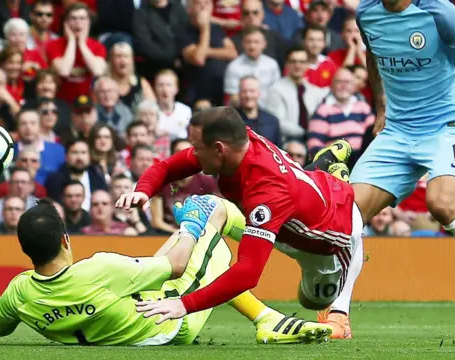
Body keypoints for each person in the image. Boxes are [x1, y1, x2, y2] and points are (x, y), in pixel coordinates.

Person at [324, 0, 455, 337]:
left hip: (448, 124)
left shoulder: (440, 12)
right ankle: (339, 314)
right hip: (398, 130)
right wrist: (382, 107)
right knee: (347, 215)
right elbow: (373, 55)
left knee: (442, 205)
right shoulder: (366, 13)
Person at [0, 198, 333, 345]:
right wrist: (191, 225)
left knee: (175, 258)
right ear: (66, 240)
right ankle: (305, 244)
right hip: (172, 322)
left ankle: (266, 315)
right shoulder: (100, 269)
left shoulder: (18, 292)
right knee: (213, 208)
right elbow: (177, 264)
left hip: (137, 311)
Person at [116, 107, 359, 339]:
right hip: (288, 209)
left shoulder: (266, 193)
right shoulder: (238, 143)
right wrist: (144, 191)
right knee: (242, 211)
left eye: (197, 147)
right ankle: (321, 169)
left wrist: (183, 304)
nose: (193, 153)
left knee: (313, 301)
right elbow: (167, 167)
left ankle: (335, 179)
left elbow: (248, 273)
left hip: (328, 238)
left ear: (219, 149)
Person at [265, 46, 328, 142]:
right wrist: (306, 132)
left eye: (302, 62)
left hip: (312, 141)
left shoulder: (314, 91)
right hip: (286, 142)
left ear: (307, 64)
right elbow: (277, 122)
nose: (297, 66)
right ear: (286, 64)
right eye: (293, 61)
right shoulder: (276, 90)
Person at [46, 3, 106, 103]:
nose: (78, 22)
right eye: (73, 18)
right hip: (61, 101)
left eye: (82, 18)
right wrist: (72, 41)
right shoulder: (54, 45)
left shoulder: (98, 46)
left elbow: (97, 71)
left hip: (90, 102)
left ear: (89, 22)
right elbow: (64, 71)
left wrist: (82, 44)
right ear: (66, 23)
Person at [307, 68, 374, 154]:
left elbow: (374, 135)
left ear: (353, 86)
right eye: (339, 82)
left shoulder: (364, 108)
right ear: (332, 85)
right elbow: (314, 144)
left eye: (347, 82)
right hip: (335, 162)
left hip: (363, 159)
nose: (343, 85)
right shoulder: (323, 110)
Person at [223, 26, 280, 107]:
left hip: (269, 110)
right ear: (243, 44)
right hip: (243, 112)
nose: (252, 46)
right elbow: (234, 99)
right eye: (248, 42)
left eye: (256, 42)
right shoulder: (234, 66)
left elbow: (277, 93)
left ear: (264, 44)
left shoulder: (272, 64)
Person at [106, 42, 155, 113]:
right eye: (118, 56)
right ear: (111, 60)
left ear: (132, 60)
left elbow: (153, 107)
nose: (122, 60)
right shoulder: (103, 84)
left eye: (126, 56)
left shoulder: (141, 82)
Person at [235, 76, 281, 147]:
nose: (248, 95)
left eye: (252, 91)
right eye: (244, 91)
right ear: (239, 94)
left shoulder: (272, 121)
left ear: (259, 93)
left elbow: (278, 151)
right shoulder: (230, 121)